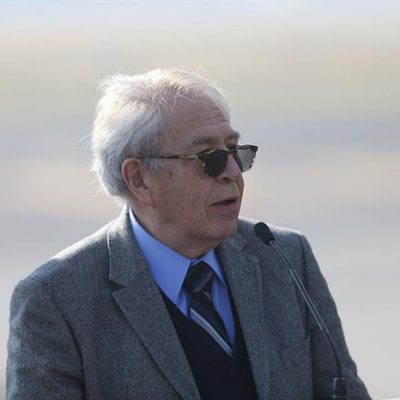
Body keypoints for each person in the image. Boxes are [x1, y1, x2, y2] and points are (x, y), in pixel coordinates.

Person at [6, 69, 371, 400]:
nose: (232, 173)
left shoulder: (285, 257)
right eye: (208, 158)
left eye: (234, 151)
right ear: (139, 179)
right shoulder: (56, 300)